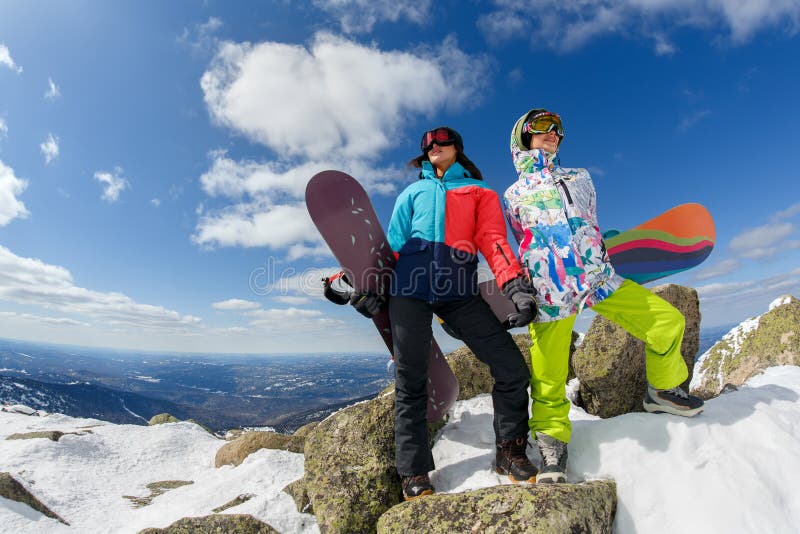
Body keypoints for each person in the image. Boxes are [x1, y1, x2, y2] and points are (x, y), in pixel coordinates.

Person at [502, 108, 705, 484]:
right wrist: (523, 285)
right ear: (522, 136)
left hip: (599, 278)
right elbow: (522, 240)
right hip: (551, 289)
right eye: (543, 127)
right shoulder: (513, 195)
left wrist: (599, 249)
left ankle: (662, 390)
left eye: (558, 129)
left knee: (666, 321)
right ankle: (551, 443)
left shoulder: (580, 177)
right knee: (548, 376)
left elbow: (591, 220)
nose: (553, 133)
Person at [351, 126, 539, 501]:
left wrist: (515, 286)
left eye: (441, 139)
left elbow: (494, 242)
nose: (433, 146)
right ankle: (414, 471)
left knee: (512, 367)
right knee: (411, 380)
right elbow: (393, 247)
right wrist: (369, 286)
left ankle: (510, 451)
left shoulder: (479, 192)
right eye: (427, 143)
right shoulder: (412, 193)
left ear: (456, 146)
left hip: (460, 293)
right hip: (409, 290)